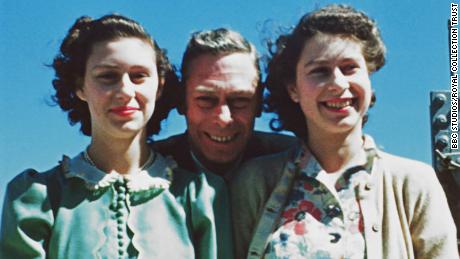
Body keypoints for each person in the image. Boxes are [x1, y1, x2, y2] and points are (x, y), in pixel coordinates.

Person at [231, 4, 459, 259]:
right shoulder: (255, 183)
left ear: (369, 78)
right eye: (319, 71)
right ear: (293, 89)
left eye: (349, 67)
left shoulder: (414, 183)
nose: (338, 83)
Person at [0, 14, 229, 259]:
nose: (125, 91)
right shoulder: (37, 197)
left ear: (159, 86)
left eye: (139, 75)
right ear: (80, 87)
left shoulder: (201, 196)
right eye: (108, 76)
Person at [154, 28, 297, 179]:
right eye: (206, 99)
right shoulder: (145, 169)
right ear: (182, 101)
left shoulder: (299, 162)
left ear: (259, 102)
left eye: (240, 100)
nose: (224, 119)